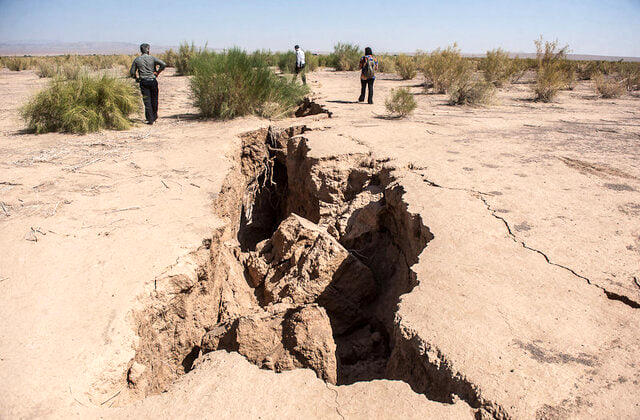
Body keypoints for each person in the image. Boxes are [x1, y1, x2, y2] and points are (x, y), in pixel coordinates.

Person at [130, 43, 166, 125]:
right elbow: (163, 64)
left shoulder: (137, 60)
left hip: (143, 82)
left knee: (147, 100)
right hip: (153, 81)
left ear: (141, 50)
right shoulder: (152, 58)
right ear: (148, 49)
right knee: (154, 99)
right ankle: (154, 116)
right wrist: (157, 73)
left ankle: (150, 119)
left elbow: (132, 72)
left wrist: (136, 78)